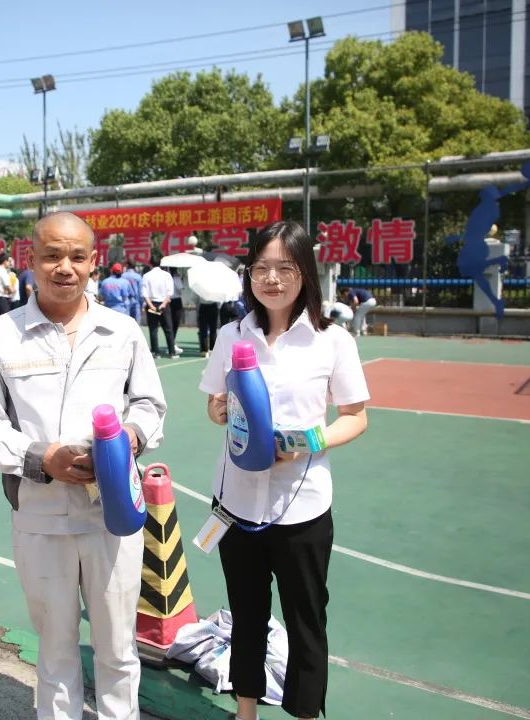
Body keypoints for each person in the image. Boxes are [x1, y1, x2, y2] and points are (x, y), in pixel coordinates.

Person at [0, 211, 166, 720]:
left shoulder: (121, 331)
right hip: (40, 517)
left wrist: (130, 439)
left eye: (77, 256)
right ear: (31, 260)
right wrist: (39, 458)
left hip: (113, 517)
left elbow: (149, 404)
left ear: (93, 262)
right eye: (52, 255)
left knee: (118, 650)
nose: (64, 267)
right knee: (54, 651)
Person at [199, 220, 369, 720]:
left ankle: (305, 713)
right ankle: (245, 710)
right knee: (246, 613)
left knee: (305, 618)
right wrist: (220, 411)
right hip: (236, 504)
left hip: (302, 507)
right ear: (249, 274)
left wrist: (307, 442)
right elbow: (214, 403)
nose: (271, 279)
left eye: (285, 268)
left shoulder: (331, 340)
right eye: (261, 268)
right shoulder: (232, 335)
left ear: (305, 273)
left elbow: (355, 417)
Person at [141, 259, 180, 358]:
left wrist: (151, 305)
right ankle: (172, 352)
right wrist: (163, 304)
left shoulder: (146, 276)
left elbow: (145, 293)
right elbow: (170, 292)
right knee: (168, 329)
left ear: (150, 264)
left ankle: (155, 352)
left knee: (153, 329)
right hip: (164, 304)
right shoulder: (166, 275)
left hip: (152, 303)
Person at [0, 251, 14, 317]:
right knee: (6, 320)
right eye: (8, 261)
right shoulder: (2, 271)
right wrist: (11, 291)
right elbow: (8, 287)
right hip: (3, 300)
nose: (9, 263)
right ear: (5, 261)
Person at [169, 268, 185, 354]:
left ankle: (172, 343)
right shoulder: (176, 278)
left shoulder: (168, 277)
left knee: (170, 323)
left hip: (168, 301)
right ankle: (172, 344)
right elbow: (181, 289)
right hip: (176, 301)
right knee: (175, 323)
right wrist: (181, 280)